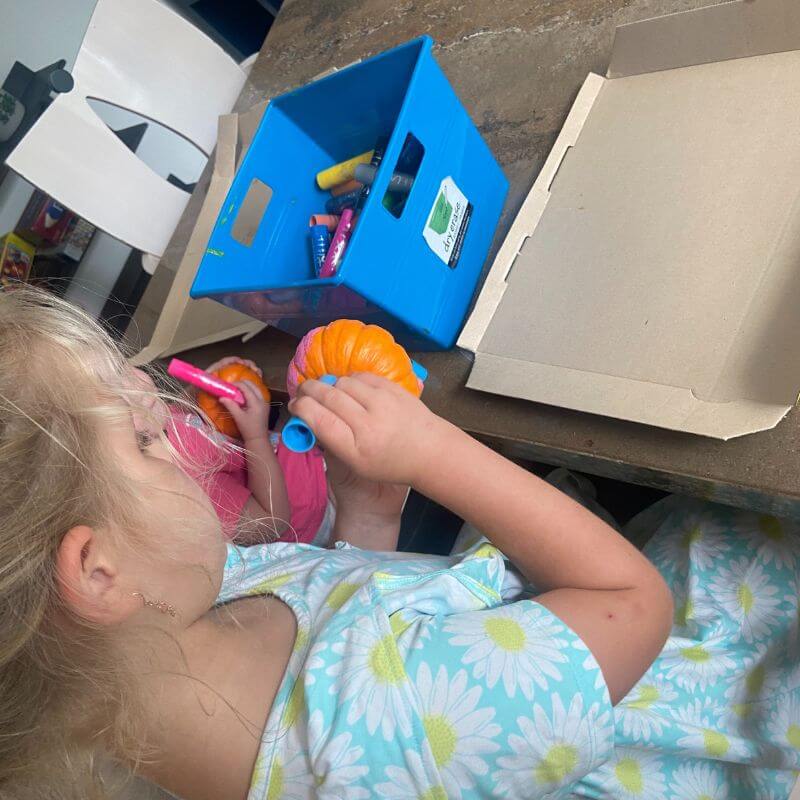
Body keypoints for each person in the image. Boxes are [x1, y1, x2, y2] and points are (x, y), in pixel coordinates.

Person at [1, 287, 799, 800]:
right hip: (703, 686)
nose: (172, 421)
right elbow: (633, 605)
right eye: (144, 439)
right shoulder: (404, 729)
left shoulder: (181, 615)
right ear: (98, 573)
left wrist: (370, 515)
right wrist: (435, 453)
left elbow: (340, 607)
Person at [133, 358, 332, 546]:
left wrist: (203, 387)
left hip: (298, 457)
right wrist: (256, 436)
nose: (135, 388)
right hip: (310, 510)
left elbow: (182, 413)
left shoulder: (150, 418)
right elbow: (274, 522)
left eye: (118, 369)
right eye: (117, 399)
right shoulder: (182, 483)